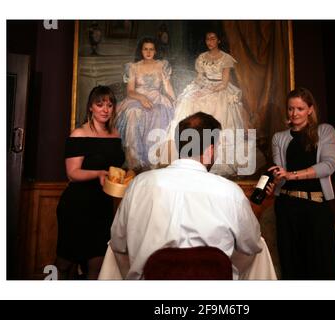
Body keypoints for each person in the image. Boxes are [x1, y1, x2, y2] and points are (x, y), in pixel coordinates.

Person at [110, 112, 263, 279]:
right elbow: (252, 244)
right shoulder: (230, 192)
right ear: (210, 150)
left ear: (180, 145)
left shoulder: (139, 185)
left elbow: (118, 243)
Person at [266, 87, 335, 280]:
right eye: (291, 109)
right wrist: (276, 177)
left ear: (310, 109)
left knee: (321, 266)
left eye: (300, 108)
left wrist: (291, 175)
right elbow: (280, 171)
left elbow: (328, 165)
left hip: (316, 208)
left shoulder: (325, 131)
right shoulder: (279, 138)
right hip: (286, 208)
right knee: (291, 265)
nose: (294, 113)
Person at [55, 86, 125, 279]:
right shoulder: (79, 134)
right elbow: (72, 173)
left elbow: (115, 168)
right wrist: (98, 173)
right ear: (90, 108)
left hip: (102, 206)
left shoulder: (116, 134)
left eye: (110, 105)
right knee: (64, 263)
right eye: (100, 104)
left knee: (97, 264)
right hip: (76, 205)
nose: (105, 109)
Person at [164, 31, 245, 176]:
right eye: (207, 39)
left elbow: (224, 82)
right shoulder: (202, 57)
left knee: (217, 111)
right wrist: (196, 88)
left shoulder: (226, 58)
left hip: (219, 90)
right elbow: (200, 77)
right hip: (205, 86)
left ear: (219, 40)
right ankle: (192, 154)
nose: (210, 41)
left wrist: (209, 91)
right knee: (189, 100)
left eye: (213, 38)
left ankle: (215, 158)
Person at [115, 37, 176, 172]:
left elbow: (167, 86)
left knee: (159, 113)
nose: (148, 52)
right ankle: (134, 161)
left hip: (156, 98)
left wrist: (175, 101)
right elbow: (130, 91)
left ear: (155, 51)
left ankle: (153, 161)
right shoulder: (133, 67)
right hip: (136, 97)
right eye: (145, 49)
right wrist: (141, 98)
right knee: (132, 112)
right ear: (141, 51)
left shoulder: (162, 65)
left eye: (151, 49)